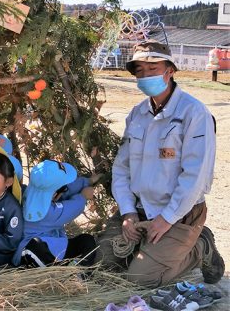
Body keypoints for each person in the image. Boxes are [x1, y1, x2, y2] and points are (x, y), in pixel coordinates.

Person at [97, 40, 224, 288]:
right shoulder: (137, 114)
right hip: (141, 207)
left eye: (153, 68)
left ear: (170, 71)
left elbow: (195, 177)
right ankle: (155, 250)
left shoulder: (194, 114)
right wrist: (128, 212)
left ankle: (200, 247)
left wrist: (167, 218)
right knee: (102, 263)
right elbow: (122, 168)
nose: (145, 76)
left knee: (142, 278)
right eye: (140, 71)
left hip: (180, 212)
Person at [13, 160, 96, 268]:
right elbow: (69, 209)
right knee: (87, 241)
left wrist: (88, 181)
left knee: (85, 240)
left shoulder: (28, 194)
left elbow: (67, 190)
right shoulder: (48, 213)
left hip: (48, 248)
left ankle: (67, 267)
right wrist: (83, 197)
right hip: (36, 253)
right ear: (54, 194)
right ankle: (76, 272)